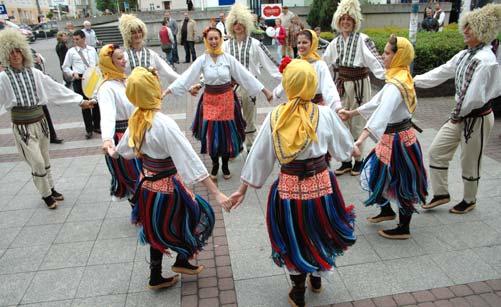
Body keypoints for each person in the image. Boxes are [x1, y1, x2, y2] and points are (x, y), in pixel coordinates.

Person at [229, 59, 357, 307]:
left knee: (293, 234)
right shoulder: (325, 113)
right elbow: (344, 149)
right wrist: (354, 149)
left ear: (287, 84)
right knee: (319, 229)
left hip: (289, 187)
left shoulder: (275, 117)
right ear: (312, 84)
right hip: (322, 184)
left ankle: (298, 290)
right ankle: (317, 277)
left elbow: (259, 155)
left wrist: (242, 188)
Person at [108, 67, 232, 289]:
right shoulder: (162, 123)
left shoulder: (136, 119)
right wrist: (216, 192)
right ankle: (182, 259)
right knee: (200, 215)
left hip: (146, 186)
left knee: (155, 228)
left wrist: (111, 150)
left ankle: (157, 275)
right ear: (152, 91)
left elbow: (123, 151)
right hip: (167, 187)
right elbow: (189, 158)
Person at [414, 4, 501, 214]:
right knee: (436, 152)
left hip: (476, 117)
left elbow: (474, 98)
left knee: (470, 161)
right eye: (466, 26)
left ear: (483, 31)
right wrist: (414, 80)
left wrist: (456, 115)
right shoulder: (465, 55)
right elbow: (443, 71)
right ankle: (442, 193)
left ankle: (469, 199)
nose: (465, 30)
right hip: (460, 115)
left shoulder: (487, 61)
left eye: (470, 27)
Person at [339, 35, 428, 240]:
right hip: (394, 138)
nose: (383, 56)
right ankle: (386, 210)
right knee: (374, 176)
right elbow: (377, 102)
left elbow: (382, 112)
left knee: (402, 182)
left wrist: (361, 139)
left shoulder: (396, 84)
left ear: (399, 56)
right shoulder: (398, 77)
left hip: (399, 141)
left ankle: (403, 227)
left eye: (387, 53)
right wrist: (352, 113)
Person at [0, 29, 93, 209]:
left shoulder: (34, 73)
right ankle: (45, 195)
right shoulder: (3, 78)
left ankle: (50, 188)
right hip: (22, 126)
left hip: (40, 122)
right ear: (5, 55)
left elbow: (55, 88)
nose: (15, 55)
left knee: (45, 158)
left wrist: (80, 100)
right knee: (37, 162)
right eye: (11, 52)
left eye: (17, 51)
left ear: (23, 52)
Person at [164, 27, 273, 180]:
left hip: (227, 99)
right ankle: (215, 165)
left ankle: (225, 165)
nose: (214, 41)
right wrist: (168, 90)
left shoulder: (228, 58)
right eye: (211, 39)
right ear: (206, 41)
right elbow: (187, 77)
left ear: (221, 39)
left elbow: (244, 75)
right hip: (209, 100)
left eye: (216, 38)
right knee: (211, 134)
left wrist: (265, 91)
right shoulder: (202, 59)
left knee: (226, 134)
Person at [323, 0, 386, 176]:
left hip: (359, 85)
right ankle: (345, 160)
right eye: (342, 19)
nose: (345, 22)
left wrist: (389, 78)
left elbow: (376, 61)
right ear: (338, 21)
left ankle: (359, 161)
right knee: (341, 121)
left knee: (358, 122)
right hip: (342, 85)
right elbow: (324, 63)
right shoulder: (335, 43)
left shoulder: (363, 39)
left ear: (355, 21)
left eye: (349, 19)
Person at [223, 3, 281, 150]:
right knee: (232, 117)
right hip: (231, 86)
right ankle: (235, 146)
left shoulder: (256, 44)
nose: (238, 26)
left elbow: (270, 63)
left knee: (249, 118)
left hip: (250, 87)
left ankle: (250, 147)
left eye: (241, 22)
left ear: (246, 23)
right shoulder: (226, 45)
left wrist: (286, 75)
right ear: (230, 25)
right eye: (235, 23)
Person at [97, 44, 141, 208]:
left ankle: (145, 211)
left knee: (143, 174)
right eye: (119, 58)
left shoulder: (126, 80)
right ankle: (139, 212)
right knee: (132, 176)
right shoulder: (107, 88)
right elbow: (107, 115)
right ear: (109, 62)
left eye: (124, 57)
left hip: (136, 132)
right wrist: (107, 139)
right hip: (122, 137)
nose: (124, 61)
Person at [274, 30, 342, 112]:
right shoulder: (295, 63)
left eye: (305, 42)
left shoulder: (320, 64)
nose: (301, 46)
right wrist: (276, 93)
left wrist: (337, 107)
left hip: (316, 107)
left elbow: (328, 87)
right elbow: (288, 80)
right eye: (299, 43)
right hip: (297, 106)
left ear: (312, 43)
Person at [62, 29, 100, 139]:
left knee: (96, 103)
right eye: (74, 39)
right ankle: (89, 129)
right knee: (84, 104)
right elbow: (65, 67)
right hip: (80, 79)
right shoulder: (71, 52)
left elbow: (97, 63)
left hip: (92, 79)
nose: (75, 41)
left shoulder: (92, 50)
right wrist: (72, 73)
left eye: (77, 39)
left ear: (84, 38)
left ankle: (96, 125)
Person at [118, 14, 179, 82]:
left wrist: (186, 85)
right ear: (128, 35)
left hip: (151, 91)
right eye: (134, 33)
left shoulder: (151, 54)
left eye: (139, 31)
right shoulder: (124, 56)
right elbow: (118, 77)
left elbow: (168, 72)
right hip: (132, 91)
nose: (138, 35)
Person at [31, 49, 64, 144]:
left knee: (46, 115)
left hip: (40, 92)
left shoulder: (31, 51)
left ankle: (52, 136)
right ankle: (42, 137)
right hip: (32, 95)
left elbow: (42, 59)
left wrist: (39, 58)